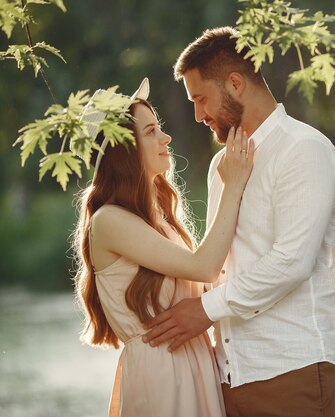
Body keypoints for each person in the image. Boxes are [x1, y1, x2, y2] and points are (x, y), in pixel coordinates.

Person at [143, 27, 335, 417]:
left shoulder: (303, 150)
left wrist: (203, 310)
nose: (198, 115)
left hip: (291, 369)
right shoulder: (222, 165)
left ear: (235, 84)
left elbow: (291, 261)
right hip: (230, 375)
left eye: (201, 99)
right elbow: (221, 264)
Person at [71, 77, 254, 417]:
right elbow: (205, 266)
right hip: (162, 372)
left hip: (195, 364)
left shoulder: (160, 219)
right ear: (123, 150)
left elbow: (206, 281)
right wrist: (234, 185)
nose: (165, 137)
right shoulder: (109, 221)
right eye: (151, 131)